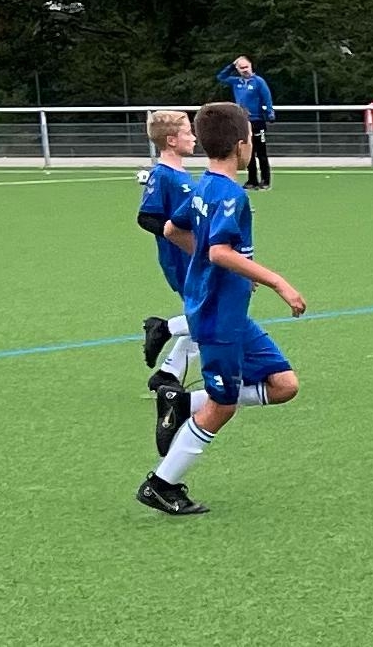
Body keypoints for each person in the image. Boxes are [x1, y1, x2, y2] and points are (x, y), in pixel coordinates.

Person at [137, 102, 307, 515]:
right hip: (218, 318)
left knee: (284, 385)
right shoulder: (230, 194)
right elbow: (218, 251)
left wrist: (222, 266)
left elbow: (173, 229)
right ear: (241, 145)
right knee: (223, 406)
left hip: (229, 313)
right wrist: (277, 281)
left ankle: (181, 403)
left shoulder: (203, 186)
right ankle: (161, 484)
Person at [137, 111, 200, 392]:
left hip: (195, 255)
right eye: (188, 132)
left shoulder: (182, 175)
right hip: (182, 258)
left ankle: (167, 374)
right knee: (213, 315)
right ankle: (163, 328)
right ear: (172, 140)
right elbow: (146, 217)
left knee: (207, 315)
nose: (194, 138)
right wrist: (177, 235)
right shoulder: (162, 174)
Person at [216, 55, 276, 189]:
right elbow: (221, 77)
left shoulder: (258, 81)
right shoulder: (236, 82)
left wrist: (270, 112)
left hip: (257, 121)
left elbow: (267, 98)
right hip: (242, 121)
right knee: (248, 152)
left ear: (251, 66)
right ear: (237, 69)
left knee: (261, 152)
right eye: (241, 68)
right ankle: (252, 180)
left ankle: (265, 180)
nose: (245, 70)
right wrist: (231, 65)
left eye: (246, 67)